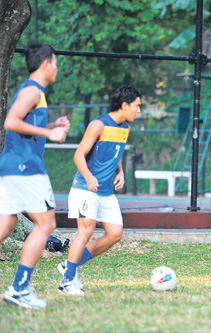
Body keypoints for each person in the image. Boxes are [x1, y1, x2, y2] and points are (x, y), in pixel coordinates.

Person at [0, 44, 70, 309]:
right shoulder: (32, 90)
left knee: (5, 225)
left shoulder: (33, 92)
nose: (57, 67)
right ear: (46, 64)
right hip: (25, 168)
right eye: (55, 62)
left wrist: (52, 126)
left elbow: (25, 127)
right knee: (46, 225)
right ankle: (19, 289)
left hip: (10, 166)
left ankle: (19, 288)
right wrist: (49, 134)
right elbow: (11, 122)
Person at [57, 85, 141, 295]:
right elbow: (78, 155)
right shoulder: (98, 125)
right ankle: (66, 283)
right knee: (85, 231)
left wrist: (120, 172)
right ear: (124, 105)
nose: (138, 110)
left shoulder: (125, 128)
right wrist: (89, 176)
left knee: (115, 234)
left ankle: (70, 266)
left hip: (105, 191)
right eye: (137, 106)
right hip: (85, 188)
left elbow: (115, 151)